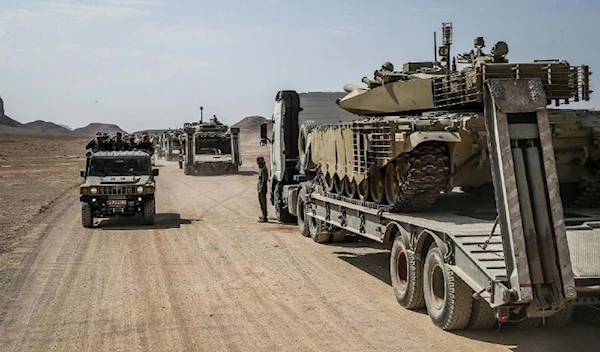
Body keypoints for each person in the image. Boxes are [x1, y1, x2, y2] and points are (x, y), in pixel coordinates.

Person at [257, 156, 269, 223]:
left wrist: (261, 188)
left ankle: (264, 217)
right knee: (261, 202)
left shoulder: (264, 169)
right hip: (261, 189)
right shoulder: (262, 168)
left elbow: (264, 180)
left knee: (263, 202)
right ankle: (263, 215)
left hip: (262, 189)